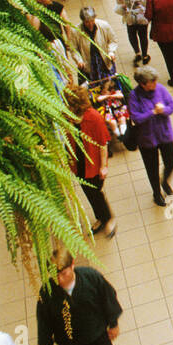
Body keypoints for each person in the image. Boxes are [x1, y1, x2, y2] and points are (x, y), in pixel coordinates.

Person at [36, 246, 122, 345]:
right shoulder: (46, 293)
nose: (59, 279)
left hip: (97, 340)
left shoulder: (91, 277)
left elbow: (107, 297)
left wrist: (113, 323)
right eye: (55, 275)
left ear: (72, 265)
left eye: (63, 274)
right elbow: (44, 322)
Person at [67, 89, 116, 237]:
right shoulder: (68, 118)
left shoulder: (94, 118)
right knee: (89, 193)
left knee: (96, 193)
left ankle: (108, 218)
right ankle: (101, 217)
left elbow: (102, 143)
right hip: (78, 163)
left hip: (93, 165)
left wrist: (103, 166)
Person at [126, 66, 173, 206]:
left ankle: (165, 181)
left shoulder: (160, 89)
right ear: (143, 84)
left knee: (171, 161)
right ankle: (156, 193)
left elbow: (172, 106)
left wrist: (164, 110)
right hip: (147, 139)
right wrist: (153, 112)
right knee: (152, 168)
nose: (155, 83)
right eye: (152, 81)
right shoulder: (134, 96)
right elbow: (136, 118)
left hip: (164, 134)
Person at [115, 0, 152, 65]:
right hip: (142, 17)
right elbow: (149, 0)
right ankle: (145, 55)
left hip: (129, 16)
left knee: (132, 35)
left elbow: (119, 1)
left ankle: (137, 53)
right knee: (143, 36)